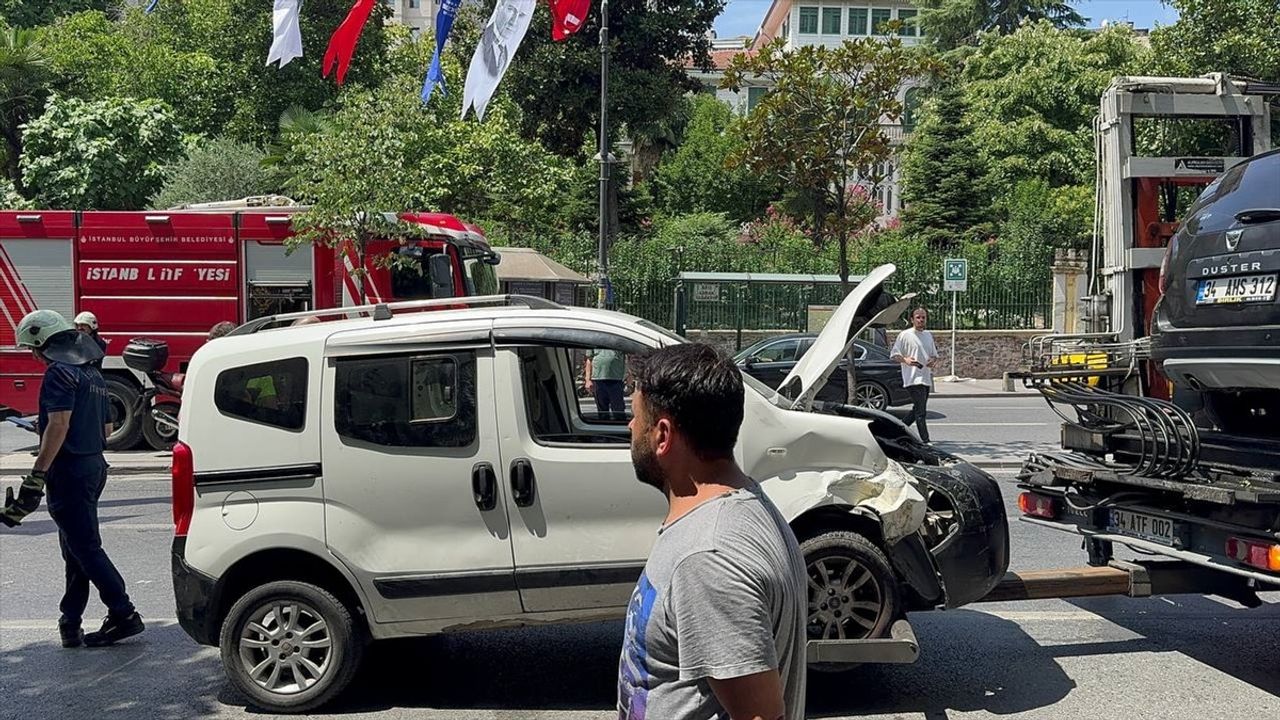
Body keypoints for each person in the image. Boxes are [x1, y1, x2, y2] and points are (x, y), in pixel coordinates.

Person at [618, 343, 806, 720]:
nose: (630, 426)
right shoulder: (739, 505)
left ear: (663, 435)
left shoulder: (707, 556)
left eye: (637, 416)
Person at [1, 310, 144, 648]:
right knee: (75, 548)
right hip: (94, 466)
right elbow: (105, 429)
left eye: (33, 349)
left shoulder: (59, 374)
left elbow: (60, 425)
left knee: (85, 548)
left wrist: (37, 476)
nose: (34, 356)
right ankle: (71, 621)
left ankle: (124, 613)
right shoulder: (92, 376)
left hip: (70, 472)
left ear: (43, 344)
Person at [890, 307, 940, 443]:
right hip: (912, 378)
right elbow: (894, 355)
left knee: (917, 409)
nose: (921, 320)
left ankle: (896, 432)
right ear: (912, 319)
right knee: (921, 412)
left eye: (923, 317)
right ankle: (925, 441)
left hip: (925, 377)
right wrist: (905, 360)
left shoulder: (928, 335)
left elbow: (934, 355)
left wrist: (932, 361)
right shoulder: (905, 335)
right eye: (918, 317)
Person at [585, 348, 627, 421]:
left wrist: (629, 375)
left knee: (618, 410)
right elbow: (589, 360)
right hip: (598, 379)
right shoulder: (593, 340)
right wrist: (588, 379)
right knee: (602, 410)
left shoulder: (619, 340)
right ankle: (603, 427)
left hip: (616, 379)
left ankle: (619, 429)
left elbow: (627, 358)